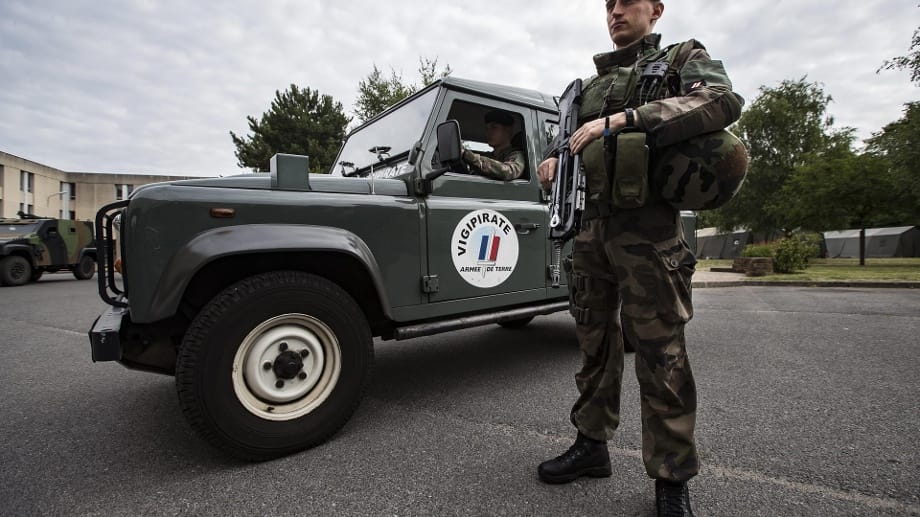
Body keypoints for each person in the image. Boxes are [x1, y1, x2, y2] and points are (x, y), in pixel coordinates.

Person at [535, 1, 744, 516]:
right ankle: (591, 446)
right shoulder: (583, 89)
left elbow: (720, 100)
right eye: (608, 4)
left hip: (649, 229)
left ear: (655, 9)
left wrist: (628, 118)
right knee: (593, 345)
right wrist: (552, 161)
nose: (615, 11)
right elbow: (569, 149)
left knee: (660, 354)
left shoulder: (679, 59)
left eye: (628, 2)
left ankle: (671, 478)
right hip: (590, 229)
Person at [461, 110, 526, 180]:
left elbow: (508, 171)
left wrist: (470, 157)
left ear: (508, 130)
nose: (489, 132)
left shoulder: (517, 155)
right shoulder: (488, 156)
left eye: (494, 127)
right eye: (487, 129)